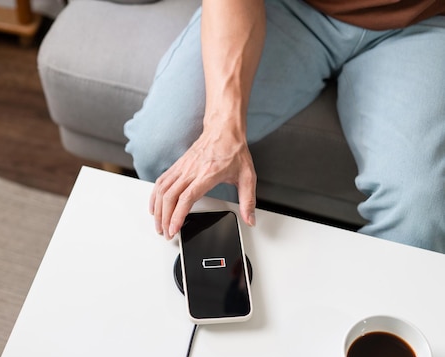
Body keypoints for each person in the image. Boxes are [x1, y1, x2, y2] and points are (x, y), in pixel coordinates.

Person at [123, 0, 445, 254]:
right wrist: (221, 129)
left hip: (423, 22)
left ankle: (358, 320)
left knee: (419, 216)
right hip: (287, 8)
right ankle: (227, 276)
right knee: (164, 144)